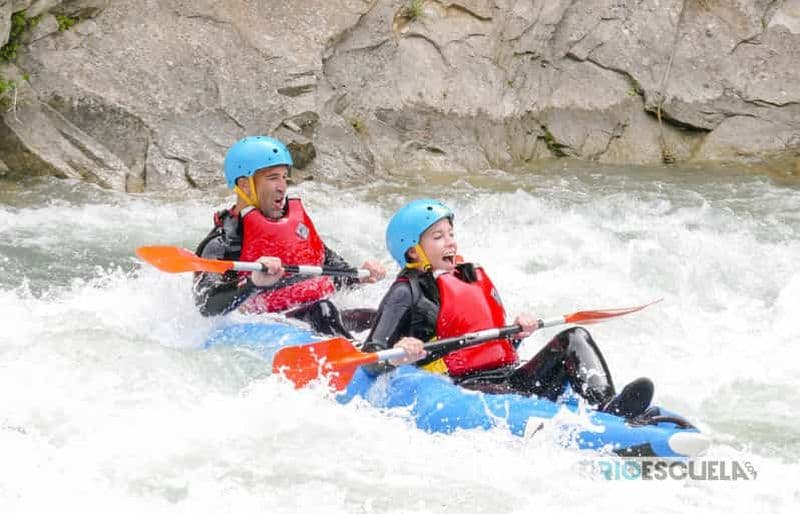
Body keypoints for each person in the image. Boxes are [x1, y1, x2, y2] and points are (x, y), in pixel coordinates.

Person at [361, 198, 655, 419]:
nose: (450, 242)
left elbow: (485, 341)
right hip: (466, 387)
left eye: (450, 233)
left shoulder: (467, 277)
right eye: (438, 237)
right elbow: (370, 356)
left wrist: (518, 334)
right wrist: (401, 351)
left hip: (508, 374)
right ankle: (597, 420)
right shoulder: (405, 291)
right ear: (414, 251)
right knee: (519, 393)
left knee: (574, 337)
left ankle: (607, 408)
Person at [193, 135, 386, 336]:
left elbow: (333, 273)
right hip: (265, 328)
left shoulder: (295, 228)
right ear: (244, 184)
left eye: (284, 177)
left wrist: (360, 275)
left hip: (313, 318)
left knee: (377, 317)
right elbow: (206, 304)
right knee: (323, 310)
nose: (282, 187)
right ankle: (358, 361)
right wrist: (252, 283)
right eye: (272, 178)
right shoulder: (223, 242)